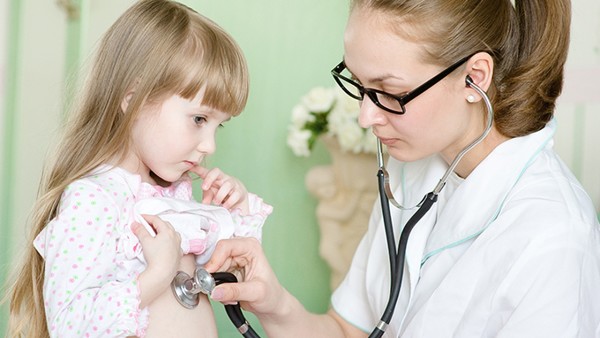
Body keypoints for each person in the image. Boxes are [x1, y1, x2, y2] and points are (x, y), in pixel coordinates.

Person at [204, 0, 600, 337]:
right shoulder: (414, 169)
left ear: (474, 78)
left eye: (389, 93)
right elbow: (352, 330)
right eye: (359, 86)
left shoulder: (554, 236)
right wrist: (274, 304)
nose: (365, 117)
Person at [6, 0, 272, 337]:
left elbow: (240, 274)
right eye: (200, 119)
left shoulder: (176, 194)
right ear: (132, 99)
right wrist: (157, 274)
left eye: (219, 126)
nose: (210, 146)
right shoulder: (94, 200)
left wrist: (235, 211)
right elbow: (70, 325)